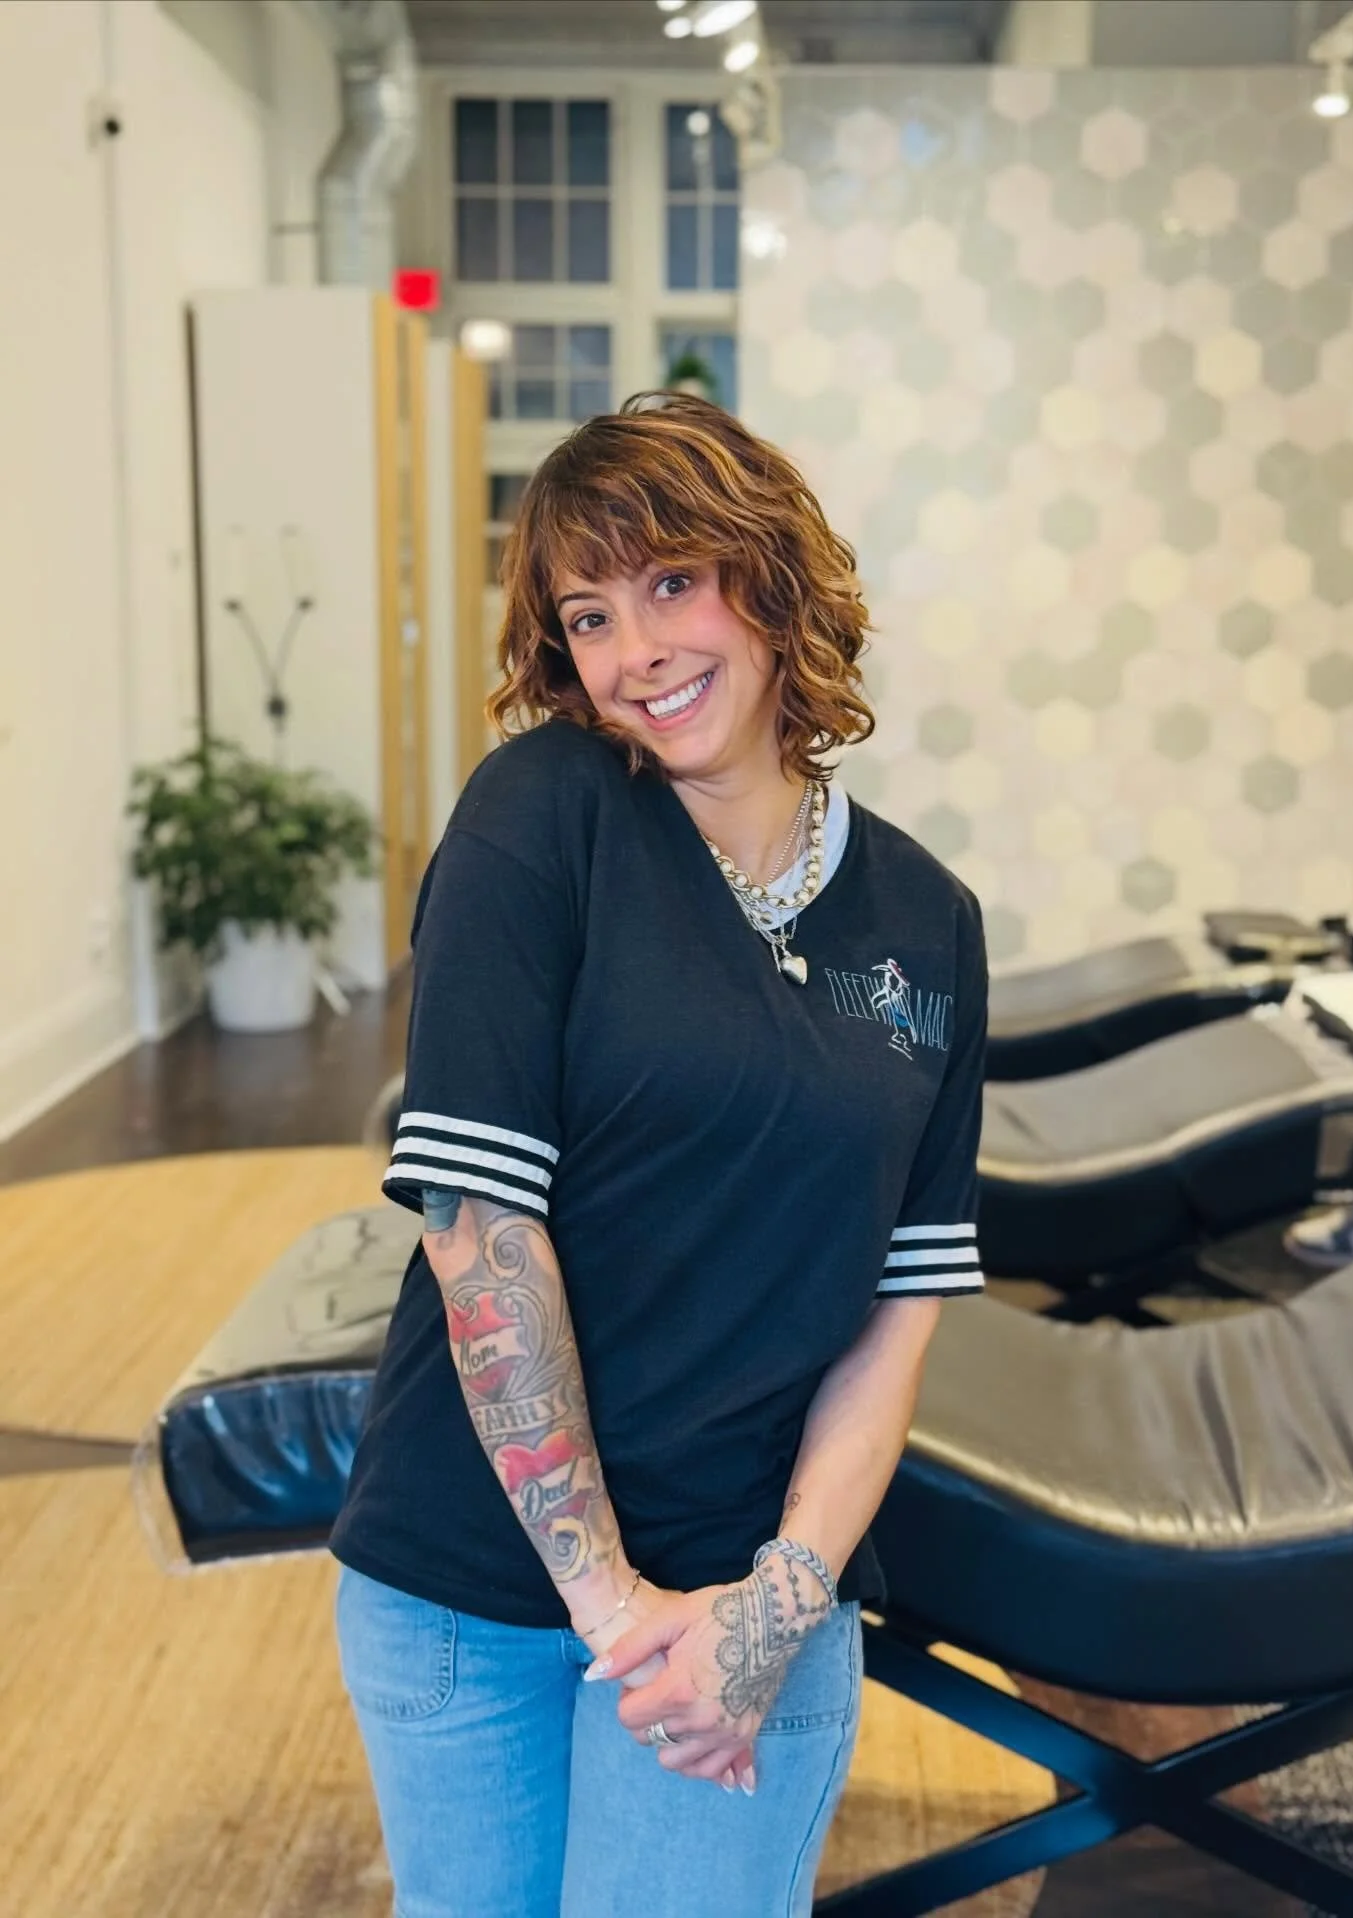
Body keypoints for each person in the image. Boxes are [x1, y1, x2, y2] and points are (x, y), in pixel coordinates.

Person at [329, 392, 989, 1918]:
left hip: (757, 1587)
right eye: (589, 616)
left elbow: (898, 1318)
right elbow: (478, 1232)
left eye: (671, 582)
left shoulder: (926, 922)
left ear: (770, 576)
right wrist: (614, 1607)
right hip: (470, 1580)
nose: (636, 651)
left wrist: (778, 1602)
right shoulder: (542, 815)